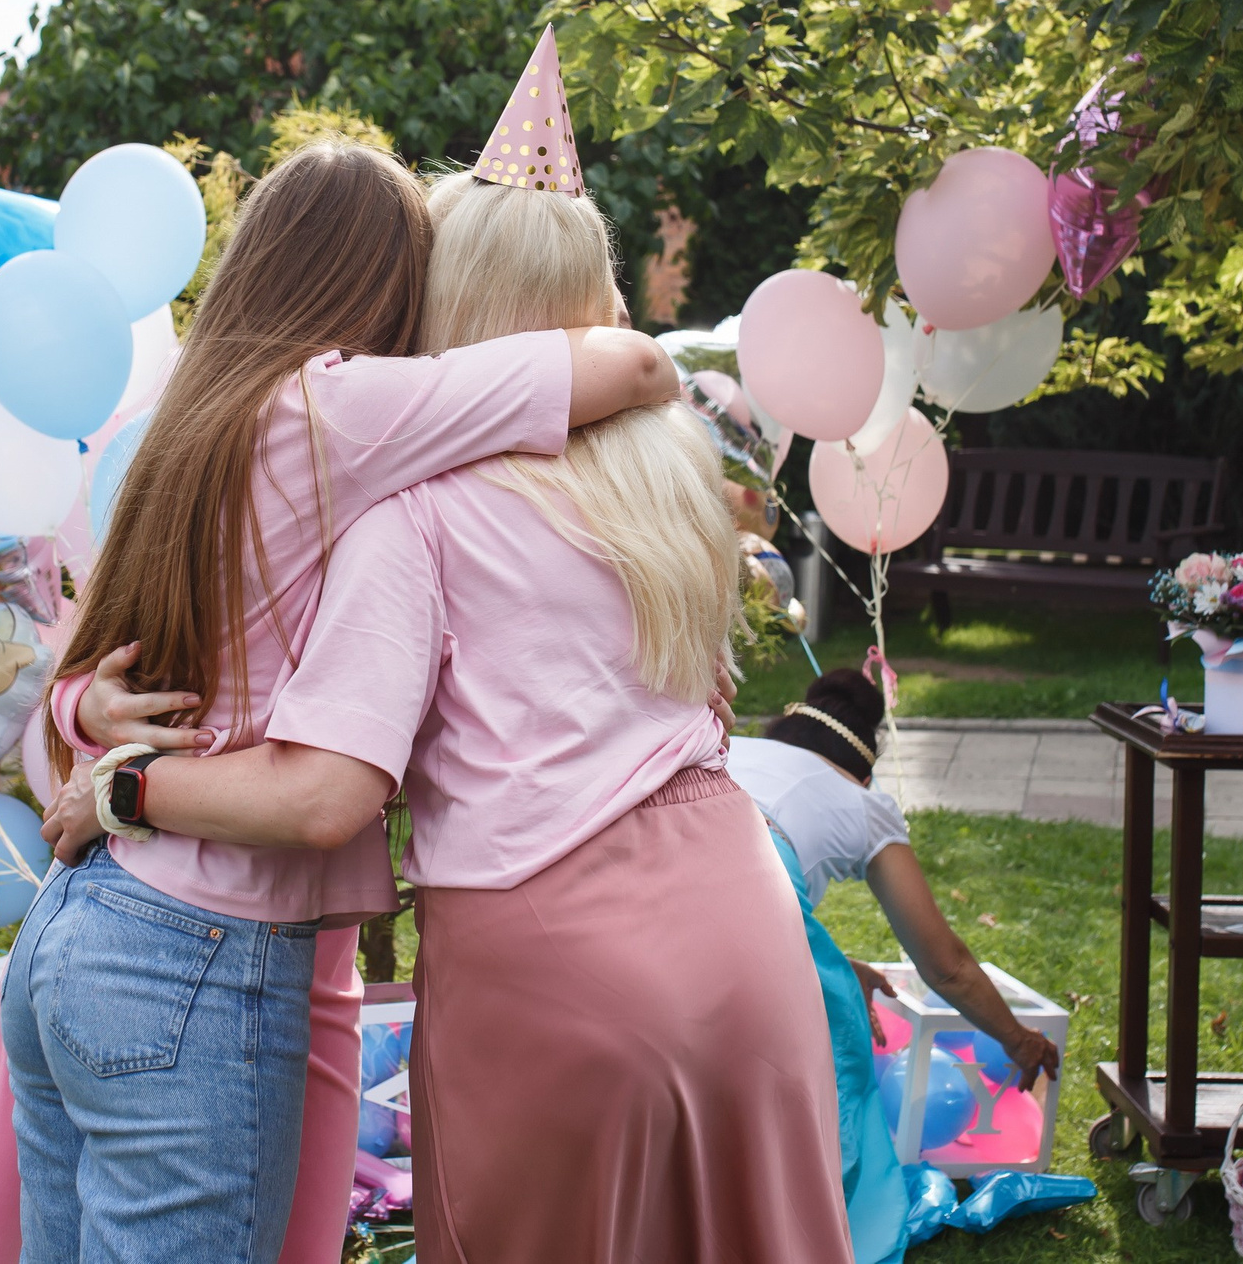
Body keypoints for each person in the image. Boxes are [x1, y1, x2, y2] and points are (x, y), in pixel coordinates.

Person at [50, 161, 854, 1264]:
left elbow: (320, 788)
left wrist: (114, 771)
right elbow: (637, 376)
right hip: (749, 933)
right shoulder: (674, 500)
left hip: (534, 956)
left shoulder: (352, 488)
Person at [725, 668, 1060, 1264]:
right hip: (755, 897)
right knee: (840, 1062)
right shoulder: (865, 804)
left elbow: (718, 887)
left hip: (651, 878)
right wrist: (1016, 1038)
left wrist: (834, 960)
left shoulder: (733, 748)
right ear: (862, 767)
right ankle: (830, 1228)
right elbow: (946, 964)